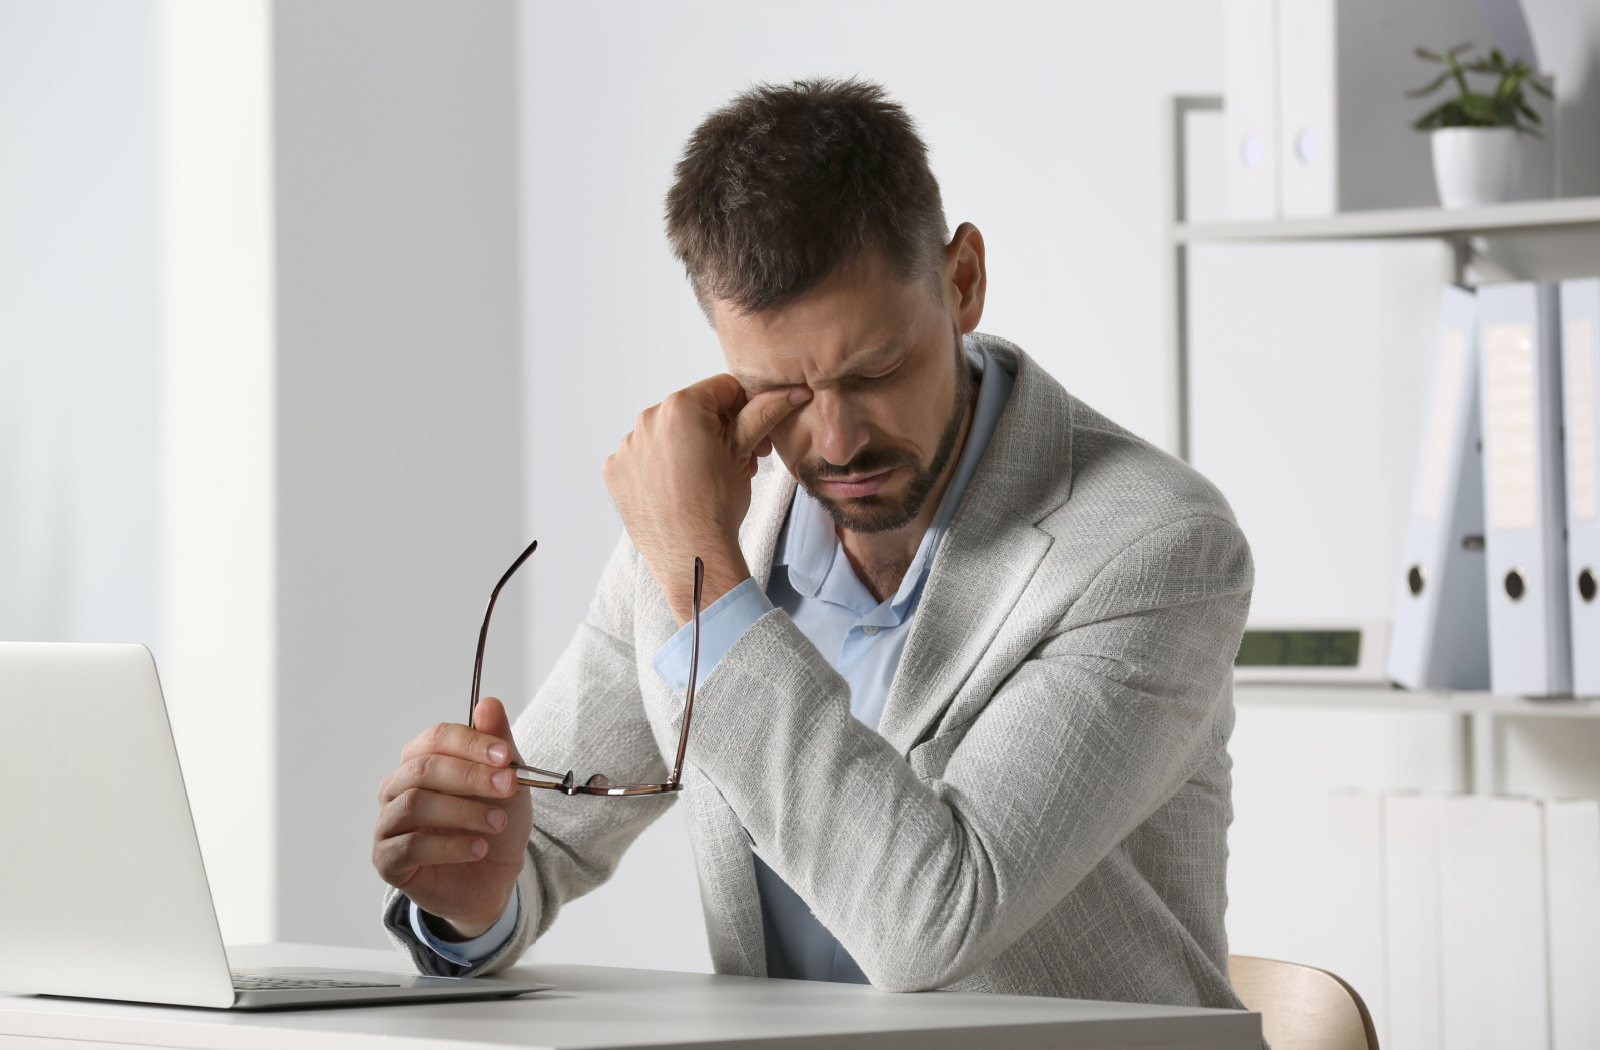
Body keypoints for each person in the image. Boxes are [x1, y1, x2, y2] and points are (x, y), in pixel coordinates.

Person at [371, 77, 1254, 1008]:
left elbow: (933, 919)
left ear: (962, 282)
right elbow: (542, 836)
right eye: (782, 390)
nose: (835, 445)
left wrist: (699, 575)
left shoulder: (1157, 548)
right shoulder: (709, 531)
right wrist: (472, 901)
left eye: (874, 369)